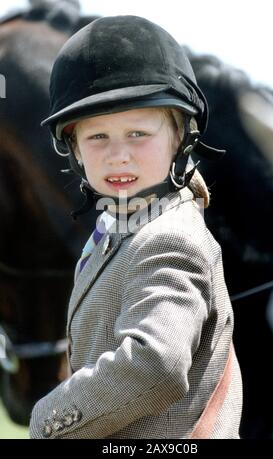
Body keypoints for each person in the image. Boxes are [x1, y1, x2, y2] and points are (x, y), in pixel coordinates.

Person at [29, 15, 243, 439]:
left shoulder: (170, 236)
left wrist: (47, 421)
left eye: (137, 133)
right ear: (73, 149)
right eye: (98, 138)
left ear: (180, 136)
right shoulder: (117, 229)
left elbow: (156, 365)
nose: (118, 155)